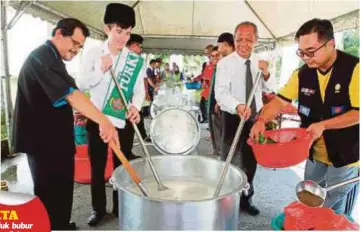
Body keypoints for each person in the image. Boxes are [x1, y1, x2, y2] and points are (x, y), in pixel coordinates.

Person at [12, 18, 119, 230]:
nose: (77, 50)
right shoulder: (42, 57)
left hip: (56, 139)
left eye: (80, 46)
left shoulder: (54, 59)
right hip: (42, 143)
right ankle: (50, 225)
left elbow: (67, 93)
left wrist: (80, 112)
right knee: (49, 191)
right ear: (59, 33)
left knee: (62, 189)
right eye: (75, 43)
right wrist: (104, 121)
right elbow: (72, 94)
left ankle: (60, 223)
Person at [250, 18, 359, 216]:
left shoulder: (354, 70)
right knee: (309, 194)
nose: (306, 58)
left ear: (331, 44)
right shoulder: (302, 74)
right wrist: (261, 120)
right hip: (313, 149)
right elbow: (279, 101)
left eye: (311, 51)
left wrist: (324, 125)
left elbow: (358, 113)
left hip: (346, 153)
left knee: (333, 202)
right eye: (301, 52)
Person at [77, 3, 146, 226]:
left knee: (122, 166)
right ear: (107, 29)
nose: (123, 38)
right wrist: (101, 69)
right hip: (97, 120)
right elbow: (81, 83)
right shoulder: (93, 52)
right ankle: (99, 209)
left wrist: (135, 106)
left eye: (127, 33)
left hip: (122, 122)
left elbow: (139, 89)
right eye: (119, 31)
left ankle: (119, 206)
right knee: (97, 167)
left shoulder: (134, 60)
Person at [215, 21, 272, 216]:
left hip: (254, 119)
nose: (243, 43)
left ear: (256, 40)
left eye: (249, 39)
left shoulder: (259, 62)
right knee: (229, 158)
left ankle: (246, 198)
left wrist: (266, 74)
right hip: (232, 116)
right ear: (234, 39)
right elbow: (220, 94)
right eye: (239, 39)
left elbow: (269, 89)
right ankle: (226, 200)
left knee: (251, 160)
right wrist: (237, 105)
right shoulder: (225, 63)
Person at [208, 32, 235, 157]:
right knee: (219, 130)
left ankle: (225, 156)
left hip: (229, 105)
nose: (218, 50)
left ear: (225, 44)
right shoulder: (222, 63)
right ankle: (221, 153)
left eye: (219, 46)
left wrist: (220, 101)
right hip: (219, 103)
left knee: (226, 133)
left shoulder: (234, 62)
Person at [126, 33, 151, 142]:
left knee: (135, 120)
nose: (140, 48)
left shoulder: (139, 61)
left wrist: (145, 92)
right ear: (129, 46)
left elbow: (142, 80)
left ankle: (131, 148)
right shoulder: (119, 59)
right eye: (138, 45)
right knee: (126, 125)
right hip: (122, 100)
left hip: (134, 99)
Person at [194, 46, 220, 123]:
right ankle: (207, 120)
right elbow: (204, 75)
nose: (207, 55)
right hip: (207, 89)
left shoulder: (217, 63)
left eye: (208, 53)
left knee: (212, 109)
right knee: (203, 105)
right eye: (207, 54)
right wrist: (203, 81)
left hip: (214, 90)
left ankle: (209, 120)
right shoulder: (207, 63)